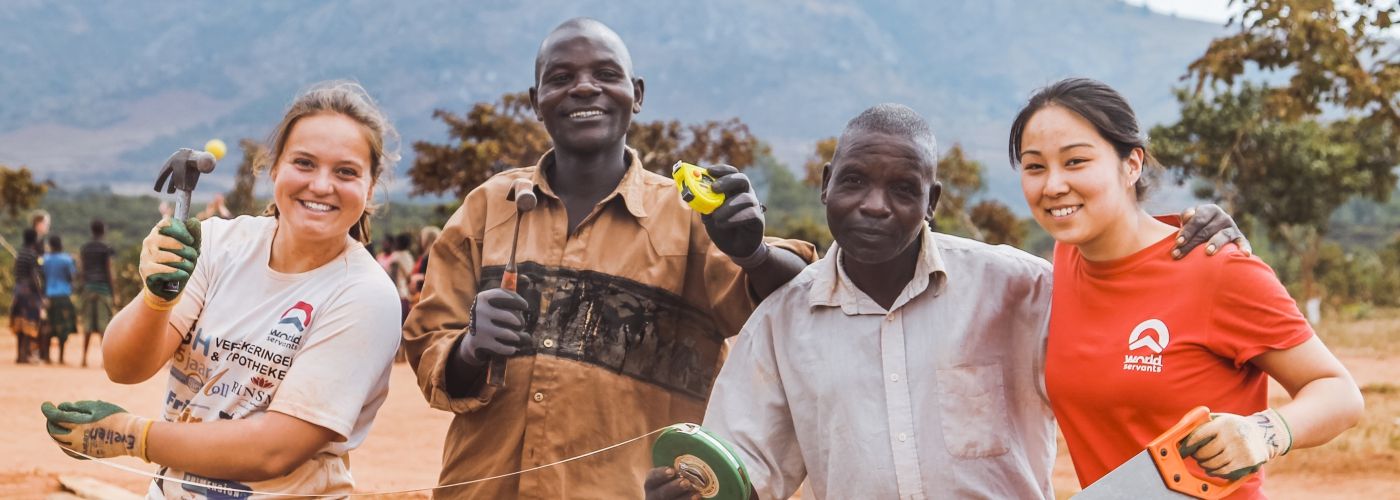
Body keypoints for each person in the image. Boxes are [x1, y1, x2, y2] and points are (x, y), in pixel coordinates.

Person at [644, 105, 1243, 500]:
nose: (874, 204)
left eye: (903, 189)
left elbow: (1138, 332)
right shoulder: (781, 323)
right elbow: (743, 472)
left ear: (931, 200)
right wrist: (692, 489)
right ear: (826, 182)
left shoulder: (1021, 289)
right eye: (853, 181)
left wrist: (1185, 241)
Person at [402, 17, 816, 498]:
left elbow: (798, 294)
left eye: (606, 74)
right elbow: (430, 343)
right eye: (560, 78)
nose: (584, 88)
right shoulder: (487, 208)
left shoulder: (687, 216)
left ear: (636, 94)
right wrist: (471, 349)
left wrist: (755, 253)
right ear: (536, 102)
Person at [40, 81, 404, 498]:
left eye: (346, 171)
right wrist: (156, 299)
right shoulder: (217, 244)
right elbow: (124, 367)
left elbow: (274, 449)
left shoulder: (364, 295)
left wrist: (131, 435)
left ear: (370, 187)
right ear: (273, 169)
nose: (322, 185)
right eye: (304, 163)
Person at [1010, 78, 1363, 497]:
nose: (1052, 186)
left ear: (1132, 164)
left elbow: (1340, 392)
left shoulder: (1217, 268)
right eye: (1035, 167)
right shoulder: (1066, 260)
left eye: (1075, 162)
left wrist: (1265, 431)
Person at [78, 219, 120, 368]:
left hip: (89, 288)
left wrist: (83, 287)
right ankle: (104, 360)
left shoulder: (85, 248)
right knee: (104, 326)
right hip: (103, 289)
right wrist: (114, 292)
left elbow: (82, 270)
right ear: (103, 230)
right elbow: (109, 270)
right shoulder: (106, 248)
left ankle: (83, 358)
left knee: (87, 326)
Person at [42, 235, 78, 365]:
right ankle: (61, 358)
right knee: (63, 327)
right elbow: (71, 276)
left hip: (49, 296)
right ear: (60, 244)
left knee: (48, 326)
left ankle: (46, 356)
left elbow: (43, 277)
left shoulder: (45, 260)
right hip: (63, 295)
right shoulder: (66, 260)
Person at [10, 228, 44, 364]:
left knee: (19, 324)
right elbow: (34, 276)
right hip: (29, 292)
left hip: (18, 291)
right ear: (34, 240)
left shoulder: (19, 254)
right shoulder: (32, 255)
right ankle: (25, 355)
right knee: (29, 324)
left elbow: (16, 273)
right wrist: (40, 294)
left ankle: (19, 355)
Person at [387, 232, 416, 321]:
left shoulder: (395, 258)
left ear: (398, 243)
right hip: (406, 295)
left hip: (397, 295)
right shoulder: (409, 257)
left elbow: (393, 278)